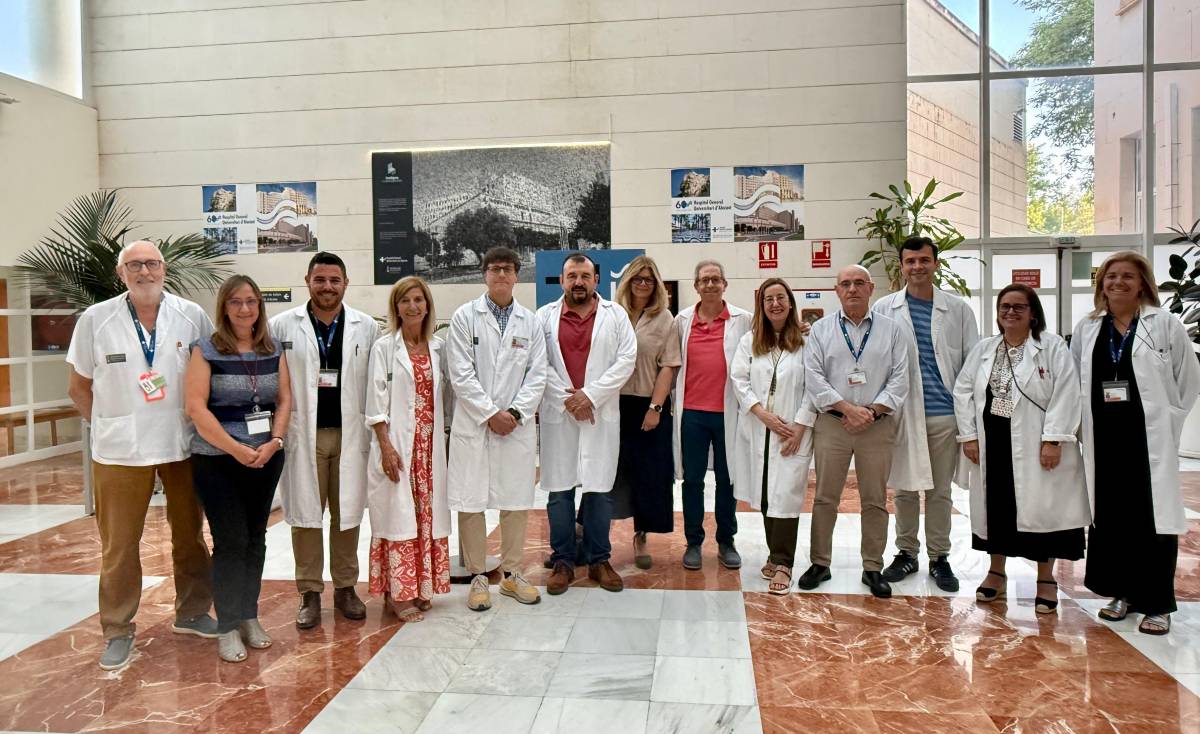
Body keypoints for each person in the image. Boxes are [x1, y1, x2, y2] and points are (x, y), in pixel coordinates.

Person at [66, 240, 217, 671]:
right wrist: (106, 425)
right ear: (121, 273)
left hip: (181, 444)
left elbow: (209, 373)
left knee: (190, 534)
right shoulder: (96, 319)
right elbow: (78, 386)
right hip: (119, 450)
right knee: (119, 543)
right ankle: (117, 629)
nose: (144, 272)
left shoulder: (191, 315)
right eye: (134, 265)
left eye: (151, 263)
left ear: (164, 268)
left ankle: (192, 612)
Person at [1072, 251, 1200, 635]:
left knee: (1152, 520)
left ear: (1143, 283)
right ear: (1101, 285)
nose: (1118, 282)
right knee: (1112, 518)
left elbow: (1187, 378)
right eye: (1111, 276)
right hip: (1105, 439)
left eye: (1128, 276)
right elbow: (1076, 378)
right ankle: (1121, 593)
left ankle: (1157, 602)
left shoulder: (1164, 324)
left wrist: (1169, 419)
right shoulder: (1089, 327)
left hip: (1148, 440)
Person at [955, 284, 1087, 613]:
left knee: (1043, 511)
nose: (1010, 312)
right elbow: (963, 391)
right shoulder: (985, 349)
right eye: (1005, 307)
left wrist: (1053, 439)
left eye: (1019, 307)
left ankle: (1045, 579)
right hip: (993, 441)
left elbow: (1067, 392)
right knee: (997, 508)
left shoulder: (1051, 347)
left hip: (1037, 441)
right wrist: (969, 436)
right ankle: (996, 572)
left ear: (1033, 314)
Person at [185, 275, 292, 663]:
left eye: (251, 301)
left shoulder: (273, 348)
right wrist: (234, 449)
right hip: (217, 461)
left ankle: (249, 615)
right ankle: (227, 625)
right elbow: (195, 408)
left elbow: (284, 399)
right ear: (224, 307)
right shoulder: (206, 349)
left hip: (264, 457)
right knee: (230, 541)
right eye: (236, 302)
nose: (244, 309)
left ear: (260, 305)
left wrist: (275, 441)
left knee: (254, 539)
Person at [270, 252, 380, 629]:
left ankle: (346, 587)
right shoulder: (281, 326)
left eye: (335, 280)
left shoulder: (366, 327)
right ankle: (310, 592)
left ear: (346, 284)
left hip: (350, 434)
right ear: (308, 282)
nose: (327, 287)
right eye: (320, 280)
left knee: (347, 513)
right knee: (306, 515)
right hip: (304, 435)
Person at [874, 236, 979, 592]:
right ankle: (906, 552)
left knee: (939, 491)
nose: (917, 266)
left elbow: (971, 366)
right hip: (901, 414)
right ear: (902, 266)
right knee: (904, 487)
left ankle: (939, 556)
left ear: (935, 263)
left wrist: (969, 421)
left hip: (943, 415)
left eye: (923, 260)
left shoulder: (958, 310)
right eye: (910, 261)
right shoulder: (884, 308)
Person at [446, 247, 547, 611]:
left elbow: (538, 374)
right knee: (471, 501)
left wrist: (515, 413)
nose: (501, 274)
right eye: (494, 268)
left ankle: (512, 574)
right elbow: (460, 373)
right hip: (476, 425)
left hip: (515, 427)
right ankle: (477, 576)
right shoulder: (464, 317)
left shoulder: (530, 322)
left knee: (516, 501)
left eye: (507, 269)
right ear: (484, 274)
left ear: (517, 275)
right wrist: (490, 413)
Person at [799, 265, 909, 598]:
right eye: (845, 284)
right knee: (825, 497)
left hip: (877, 425)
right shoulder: (820, 330)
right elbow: (813, 377)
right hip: (833, 424)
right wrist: (848, 409)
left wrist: (870, 412)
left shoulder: (892, 330)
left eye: (859, 283)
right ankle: (820, 562)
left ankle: (873, 567)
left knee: (874, 500)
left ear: (871, 288)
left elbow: (900, 378)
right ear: (837, 290)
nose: (852, 289)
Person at [537, 253, 637, 595]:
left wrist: (590, 396)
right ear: (562, 280)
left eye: (584, 276)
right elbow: (537, 364)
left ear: (596, 280)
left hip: (598, 413)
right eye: (572, 276)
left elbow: (626, 360)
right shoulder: (543, 317)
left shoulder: (616, 315)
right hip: (561, 413)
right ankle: (563, 560)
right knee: (559, 490)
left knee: (599, 489)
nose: (578, 282)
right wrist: (569, 400)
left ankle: (599, 560)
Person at [364, 277, 450, 622]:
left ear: (427, 305)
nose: (412, 306)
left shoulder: (438, 347)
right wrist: (386, 447)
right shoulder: (384, 348)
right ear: (396, 308)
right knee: (398, 518)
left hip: (429, 450)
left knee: (425, 517)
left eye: (418, 300)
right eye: (405, 301)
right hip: (399, 447)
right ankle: (398, 595)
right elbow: (375, 403)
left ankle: (421, 587)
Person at [729, 278, 813, 594]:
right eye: (768, 299)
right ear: (761, 306)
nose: (775, 304)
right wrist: (761, 413)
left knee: (786, 495)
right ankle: (774, 554)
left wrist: (800, 427)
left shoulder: (806, 341)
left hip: (792, 430)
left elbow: (814, 387)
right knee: (766, 494)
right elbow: (739, 380)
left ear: (790, 303)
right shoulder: (750, 340)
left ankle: (784, 563)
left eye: (780, 298)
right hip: (759, 428)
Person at [673, 260, 753, 571]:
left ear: (724, 284)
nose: (710, 284)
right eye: (704, 280)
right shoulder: (682, 321)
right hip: (692, 414)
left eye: (715, 279)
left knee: (727, 479)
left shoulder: (743, 320)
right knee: (692, 480)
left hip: (728, 414)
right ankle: (693, 542)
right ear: (696, 286)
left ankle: (726, 541)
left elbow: (762, 347)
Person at [610, 255, 681, 569]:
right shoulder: (613, 314)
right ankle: (590, 530)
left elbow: (669, 366)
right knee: (609, 471)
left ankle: (641, 535)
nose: (642, 284)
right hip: (613, 404)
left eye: (648, 279)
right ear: (627, 282)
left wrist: (655, 408)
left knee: (649, 474)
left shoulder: (665, 318)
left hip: (649, 404)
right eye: (637, 278)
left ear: (657, 285)